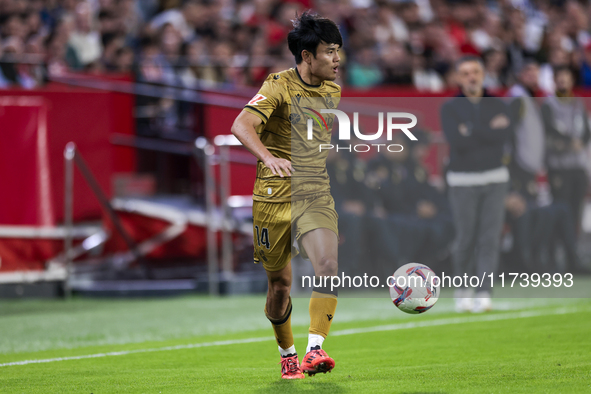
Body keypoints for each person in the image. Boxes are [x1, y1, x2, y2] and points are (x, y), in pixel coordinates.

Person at [231, 11, 342, 379]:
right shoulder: (276, 85)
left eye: (338, 51)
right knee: (279, 286)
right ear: (307, 55)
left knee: (327, 266)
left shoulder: (332, 90)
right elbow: (241, 125)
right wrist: (268, 157)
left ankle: (314, 350)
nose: (337, 60)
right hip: (273, 195)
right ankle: (287, 352)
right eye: (329, 52)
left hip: (314, 191)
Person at [440, 56, 514, 313]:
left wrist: (471, 130)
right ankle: (463, 289)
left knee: (489, 238)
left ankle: (484, 291)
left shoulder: (498, 104)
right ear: (459, 78)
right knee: (465, 237)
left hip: (495, 178)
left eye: (475, 72)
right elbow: (457, 142)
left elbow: (503, 135)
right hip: (463, 180)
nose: (471, 77)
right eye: (465, 73)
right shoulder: (449, 108)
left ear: (483, 75)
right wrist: (486, 131)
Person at [542, 66, 591, 243]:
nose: (563, 81)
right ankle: (557, 253)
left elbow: (586, 131)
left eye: (566, 77)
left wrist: (581, 142)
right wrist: (571, 142)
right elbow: (549, 130)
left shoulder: (578, 103)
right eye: (559, 77)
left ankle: (573, 253)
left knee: (576, 210)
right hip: (559, 167)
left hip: (578, 166)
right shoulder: (548, 105)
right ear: (554, 81)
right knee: (561, 211)